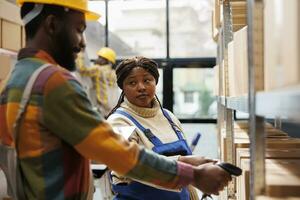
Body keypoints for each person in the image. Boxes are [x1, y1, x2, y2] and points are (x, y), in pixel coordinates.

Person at [0, 0, 231, 199]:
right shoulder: (53, 83)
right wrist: (194, 175)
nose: (82, 43)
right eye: (79, 30)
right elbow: (116, 153)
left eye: (148, 80)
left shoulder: (15, 81)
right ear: (52, 25)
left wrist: (186, 163)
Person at [106, 56, 215, 200]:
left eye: (147, 80)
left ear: (155, 82)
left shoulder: (169, 117)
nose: (141, 87)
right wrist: (183, 163)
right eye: (132, 82)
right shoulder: (119, 122)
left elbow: (187, 184)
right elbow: (128, 167)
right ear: (123, 88)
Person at [77, 47, 120, 117]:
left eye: (100, 58)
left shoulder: (98, 70)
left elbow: (82, 70)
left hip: (102, 108)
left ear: (107, 61)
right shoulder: (114, 73)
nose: (97, 59)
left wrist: (80, 54)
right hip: (113, 107)